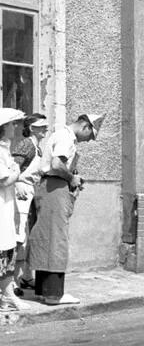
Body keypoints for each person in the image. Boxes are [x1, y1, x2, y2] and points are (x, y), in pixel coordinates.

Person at [29, 113, 104, 305]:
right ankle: (54, 294)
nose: (87, 140)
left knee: (46, 236)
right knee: (57, 239)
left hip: (48, 187)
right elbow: (57, 164)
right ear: (85, 127)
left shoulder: (60, 135)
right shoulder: (66, 137)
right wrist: (72, 178)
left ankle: (42, 290)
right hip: (55, 188)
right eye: (90, 136)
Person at [12, 114, 49, 295]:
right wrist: (17, 182)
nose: (46, 128)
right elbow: (12, 167)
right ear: (32, 128)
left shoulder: (38, 149)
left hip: (32, 194)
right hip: (21, 193)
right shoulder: (26, 144)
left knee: (28, 238)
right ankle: (12, 282)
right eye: (41, 125)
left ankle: (25, 277)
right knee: (18, 238)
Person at [0, 108, 31, 311]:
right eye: (12, 124)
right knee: (4, 248)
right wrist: (18, 170)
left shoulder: (5, 148)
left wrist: (17, 179)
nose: (16, 127)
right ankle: (8, 296)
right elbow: (5, 179)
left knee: (7, 247)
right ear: (3, 128)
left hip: (6, 204)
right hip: (1, 206)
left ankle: (6, 294)